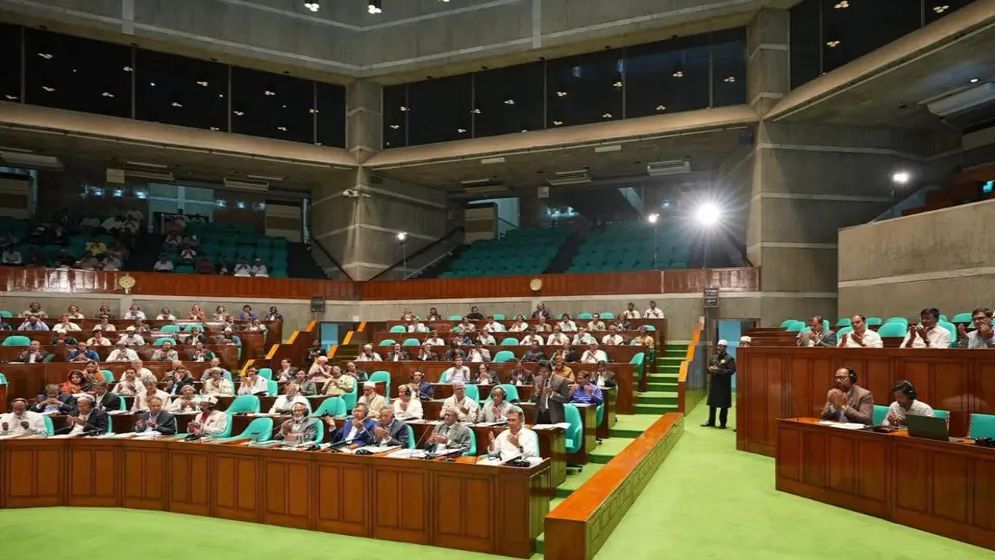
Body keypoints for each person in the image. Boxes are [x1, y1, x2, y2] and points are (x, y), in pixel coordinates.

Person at [701, 340, 735, 429]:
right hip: (714, 384)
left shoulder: (730, 358)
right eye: (718, 346)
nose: (719, 348)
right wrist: (710, 369)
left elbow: (731, 371)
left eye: (721, 346)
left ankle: (722, 423)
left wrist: (718, 371)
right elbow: (708, 369)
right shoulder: (713, 357)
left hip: (724, 385)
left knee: (724, 405)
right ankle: (711, 421)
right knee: (712, 404)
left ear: (725, 347)